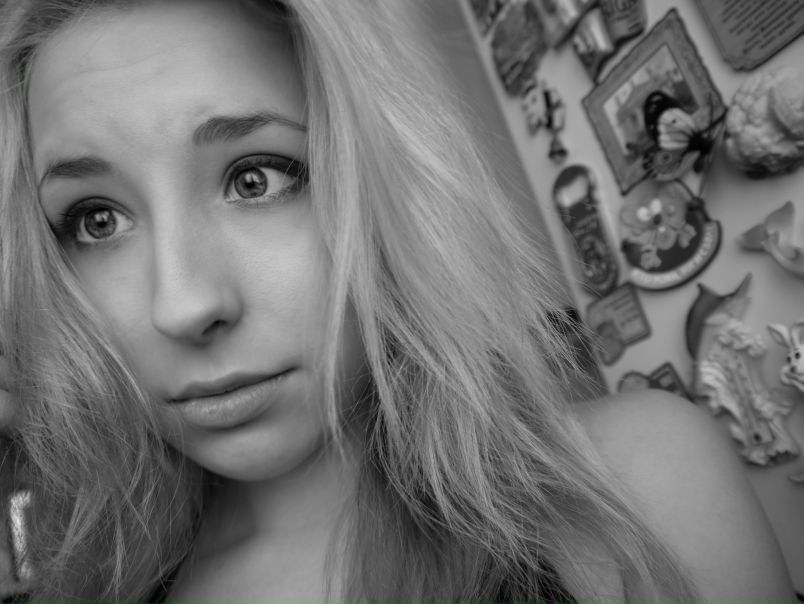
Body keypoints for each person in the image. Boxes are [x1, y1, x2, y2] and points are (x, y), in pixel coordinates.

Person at [0, 0, 795, 602]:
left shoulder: (638, 494)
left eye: (256, 178)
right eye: (95, 221)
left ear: (386, 182)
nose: (183, 304)